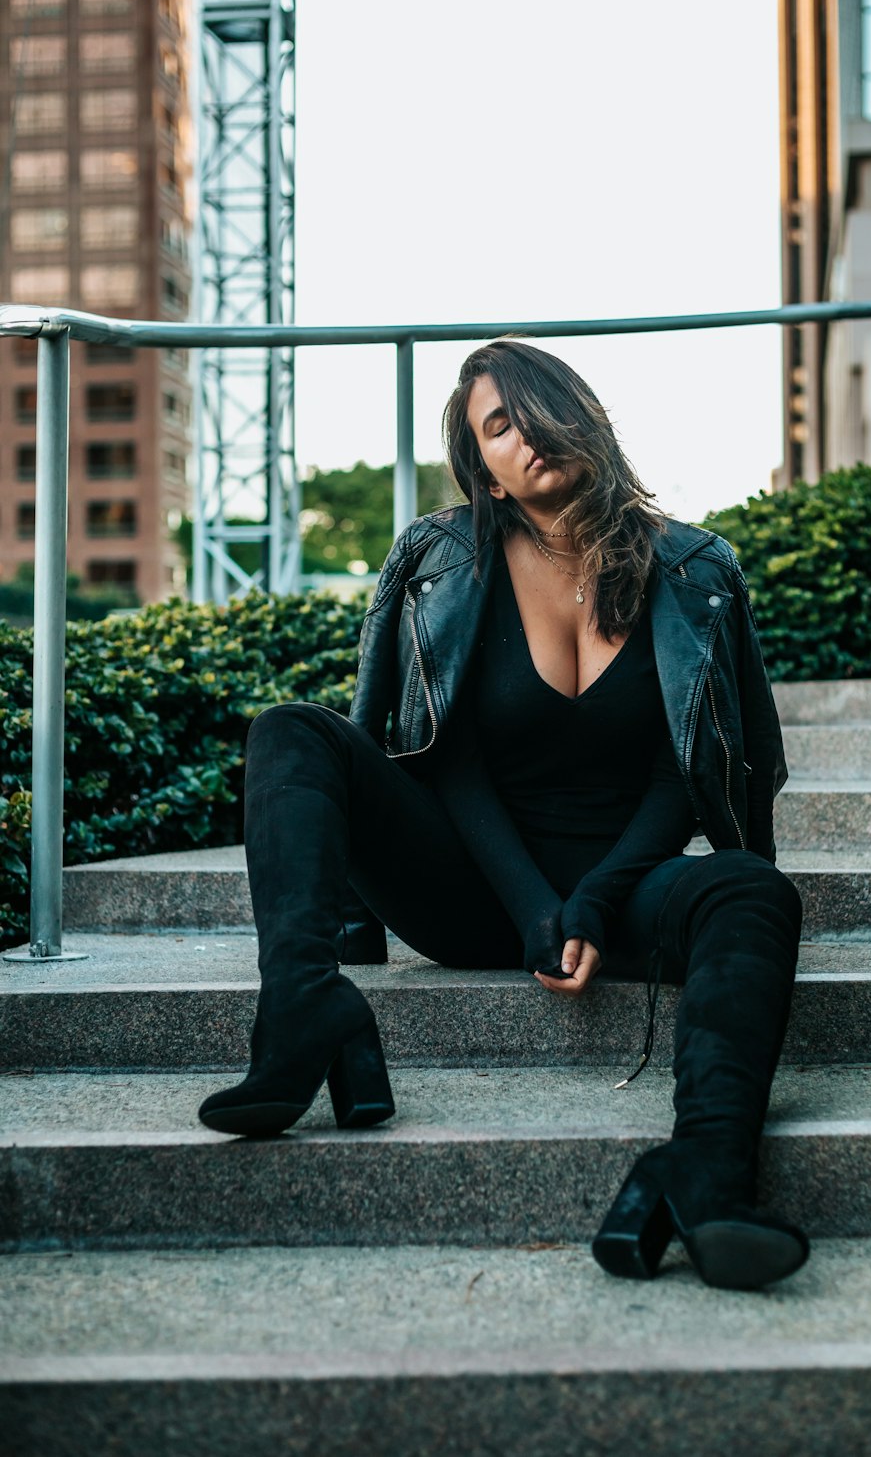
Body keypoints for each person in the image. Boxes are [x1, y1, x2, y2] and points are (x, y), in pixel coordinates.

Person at [198, 338, 808, 1291]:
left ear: (584, 412)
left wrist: (596, 901)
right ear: (478, 461)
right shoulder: (442, 559)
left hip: (629, 885)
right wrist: (532, 907)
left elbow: (680, 776)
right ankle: (304, 1007)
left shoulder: (694, 567)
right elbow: (445, 760)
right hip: (471, 886)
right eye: (496, 425)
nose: (523, 436)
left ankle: (708, 1172)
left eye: (535, 407)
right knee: (293, 731)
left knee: (751, 891)